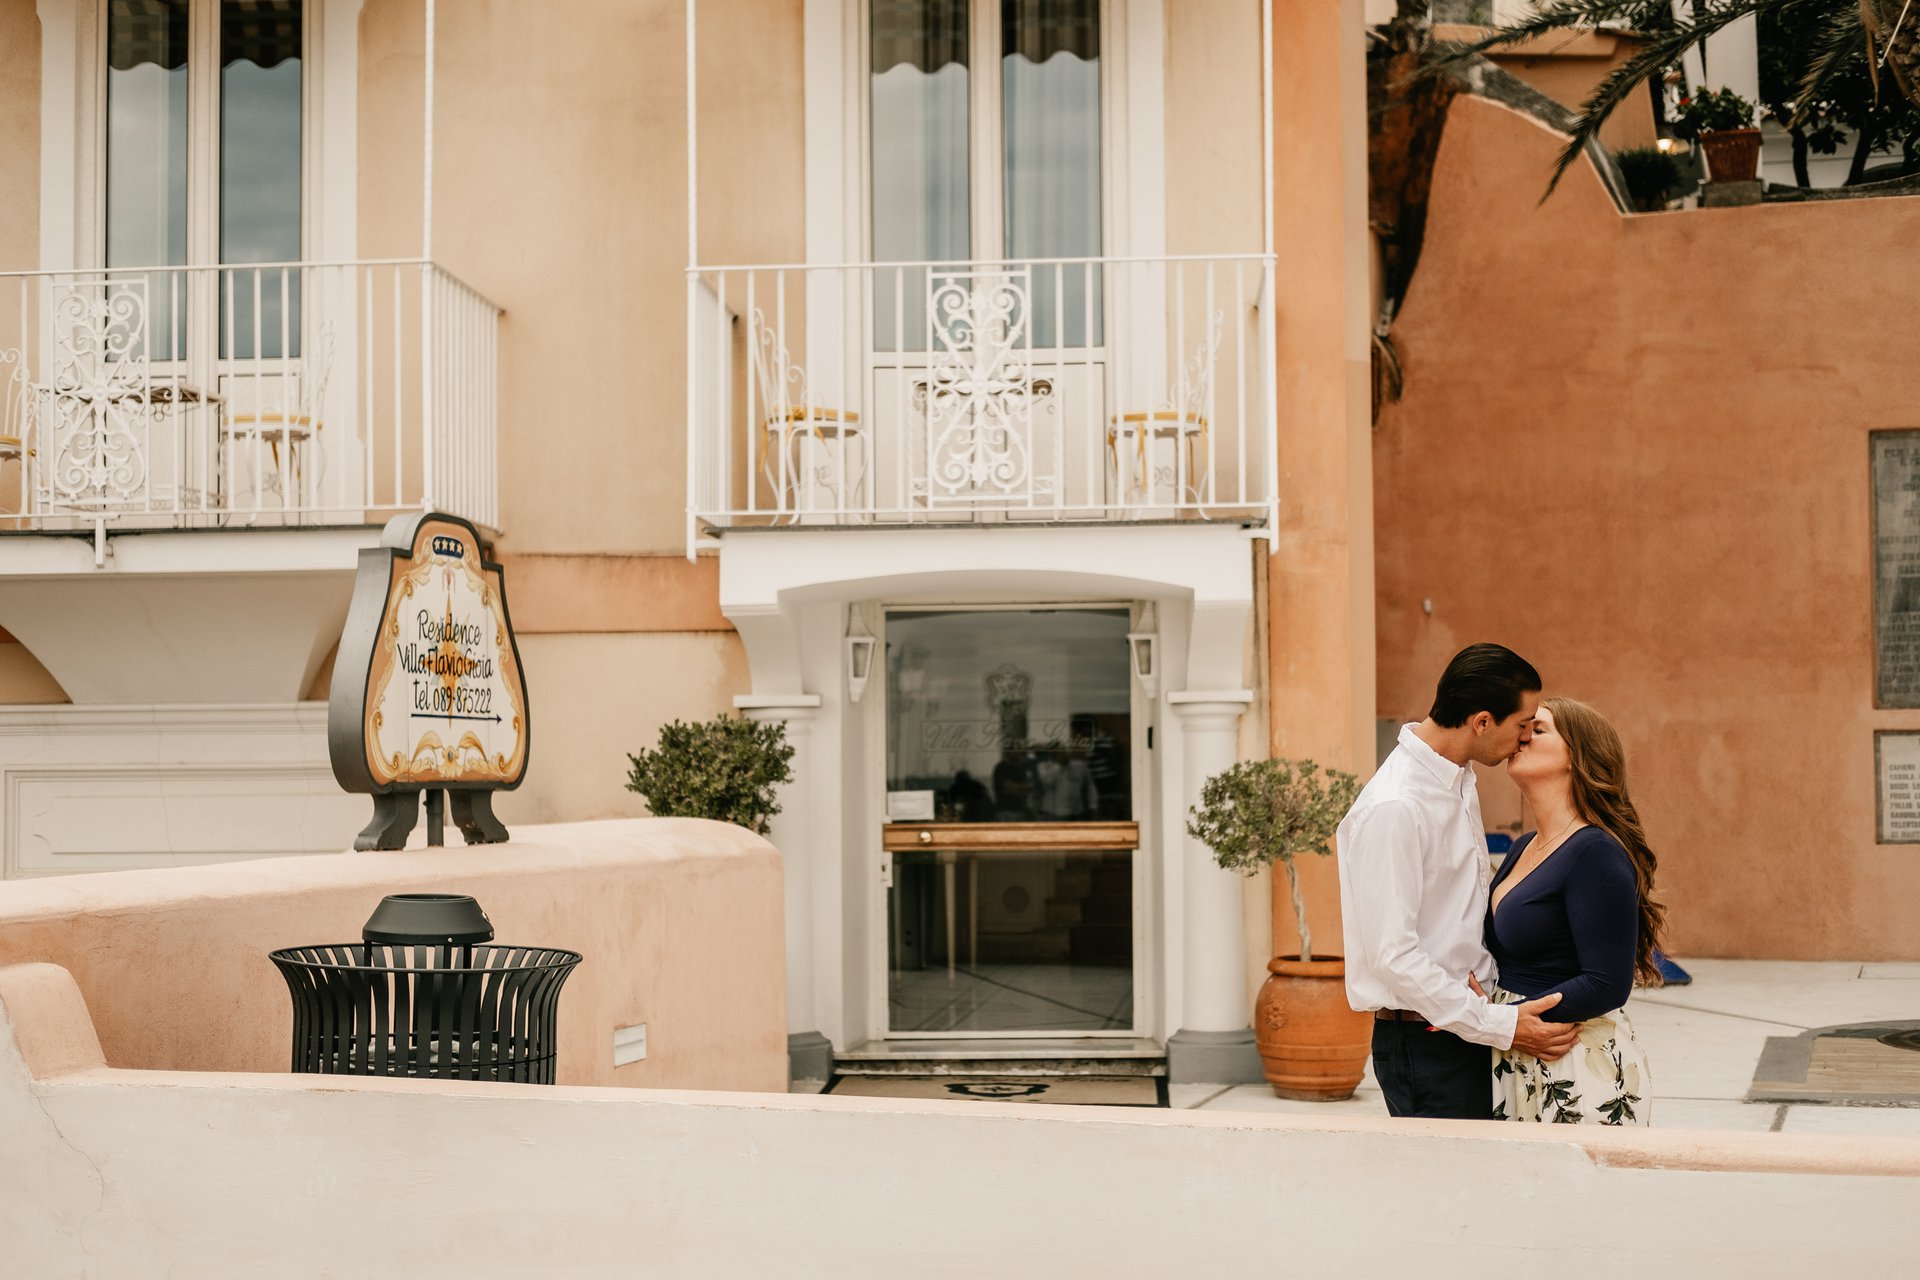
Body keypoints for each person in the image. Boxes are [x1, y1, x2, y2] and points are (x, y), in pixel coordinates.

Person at [1337, 643, 1580, 1120]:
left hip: (1465, 1030)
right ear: (1482, 721)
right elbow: (1394, 956)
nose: (1527, 736)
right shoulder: (1396, 807)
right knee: (1443, 1193)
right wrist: (1499, 1025)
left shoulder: (1456, 779)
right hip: (1427, 1045)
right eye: (1523, 725)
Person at [1485, 697, 1664, 1125]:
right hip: (1521, 1053)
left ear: (1576, 757)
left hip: (1577, 1067)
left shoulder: (1594, 851)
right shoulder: (1524, 847)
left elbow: (1606, 982)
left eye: (1538, 729)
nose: (1522, 736)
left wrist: (1510, 1019)